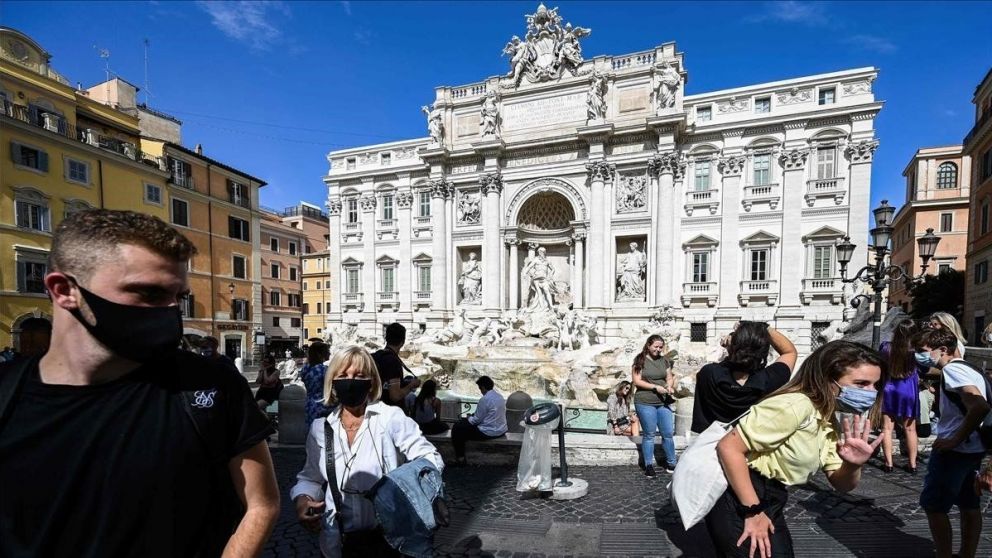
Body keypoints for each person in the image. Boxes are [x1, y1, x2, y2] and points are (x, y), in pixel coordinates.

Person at [0, 209, 279, 556]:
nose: (170, 310)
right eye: (147, 293)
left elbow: (261, 505)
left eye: (178, 296)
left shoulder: (209, 384)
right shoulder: (7, 395)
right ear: (64, 290)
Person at [706, 340, 887, 558]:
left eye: (875, 385)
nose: (871, 392)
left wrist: (852, 464)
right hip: (741, 496)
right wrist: (752, 511)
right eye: (861, 383)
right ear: (827, 379)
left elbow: (840, 483)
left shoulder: (827, 417)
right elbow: (728, 447)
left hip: (770, 499)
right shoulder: (795, 405)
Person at [291, 346, 443, 557]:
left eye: (359, 375)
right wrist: (303, 500)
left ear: (371, 382)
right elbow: (311, 478)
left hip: (390, 538)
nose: (351, 381)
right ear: (332, 382)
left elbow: (430, 458)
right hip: (339, 540)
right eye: (343, 375)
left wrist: (402, 486)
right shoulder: (320, 429)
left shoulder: (390, 418)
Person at [915, 328, 990, 558]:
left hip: (956, 450)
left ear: (943, 350)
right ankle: (966, 554)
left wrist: (953, 439)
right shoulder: (971, 368)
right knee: (969, 504)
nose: (920, 355)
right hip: (974, 448)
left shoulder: (953, 371)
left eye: (923, 351)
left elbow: (979, 406)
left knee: (934, 506)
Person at [691, 322, 797, 434]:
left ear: (732, 347)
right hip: (749, 447)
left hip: (711, 446)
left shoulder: (708, 373)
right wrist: (763, 328)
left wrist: (731, 349)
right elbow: (789, 352)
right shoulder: (769, 380)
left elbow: (725, 368)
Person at [879, 318, 922, 474]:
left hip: (890, 388)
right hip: (908, 389)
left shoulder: (886, 348)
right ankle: (912, 465)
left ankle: (888, 463)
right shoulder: (916, 352)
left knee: (887, 428)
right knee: (910, 429)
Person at [632, 334, 677, 476]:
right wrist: (654, 387)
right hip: (645, 401)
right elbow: (637, 381)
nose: (658, 349)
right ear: (648, 345)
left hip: (663, 401)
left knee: (668, 433)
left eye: (660, 347)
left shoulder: (664, 361)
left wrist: (669, 386)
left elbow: (669, 377)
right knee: (649, 434)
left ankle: (672, 463)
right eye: (655, 347)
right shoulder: (640, 360)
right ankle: (648, 465)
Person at [450, 376, 507, 465]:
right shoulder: (500, 397)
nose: (480, 391)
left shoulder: (484, 399)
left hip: (488, 432)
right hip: (501, 430)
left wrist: (469, 418)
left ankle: (460, 458)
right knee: (463, 425)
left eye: (480, 388)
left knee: (457, 428)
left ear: (483, 387)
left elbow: (475, 420)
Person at [372, 323, 421, 408]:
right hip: (389, 412)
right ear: (402, 342)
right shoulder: (392, 361)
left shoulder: (375, 356)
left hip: (374, 406)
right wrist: (411, 385)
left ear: (386, 338)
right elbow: (395, 396)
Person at [300, 342, 331, 425]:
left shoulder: (306, 368)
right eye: (327, 351)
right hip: (323, 406)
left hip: (309, 404)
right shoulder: (323, 369)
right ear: (320, 354)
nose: (330, 353)